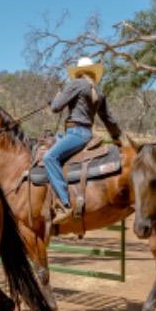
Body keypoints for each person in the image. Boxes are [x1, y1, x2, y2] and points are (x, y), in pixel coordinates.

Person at [45, 55, 123, 225]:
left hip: (75, 133)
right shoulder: (98, 91)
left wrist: (56, 98)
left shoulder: (76, 84)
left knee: (49, 158)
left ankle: (65, 204)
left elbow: (56, 107)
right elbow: (108, 118)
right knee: (56, 140)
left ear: (79, 72)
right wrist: (117, 138)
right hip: (86, 133)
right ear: (93, 73)